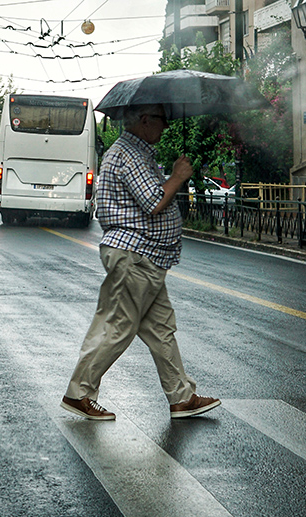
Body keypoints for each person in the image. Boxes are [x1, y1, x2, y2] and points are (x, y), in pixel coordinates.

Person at [61, 103, 221, 421]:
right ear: (145, 120)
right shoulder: (128, 154)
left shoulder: (137, 152)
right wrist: (177, 176)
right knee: (117, 326)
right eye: (162, 120)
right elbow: (153, 202)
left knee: (161, 328)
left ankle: (181, 397)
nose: (166, 126)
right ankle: (79, 393)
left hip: (146, 258)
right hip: (135, 256)